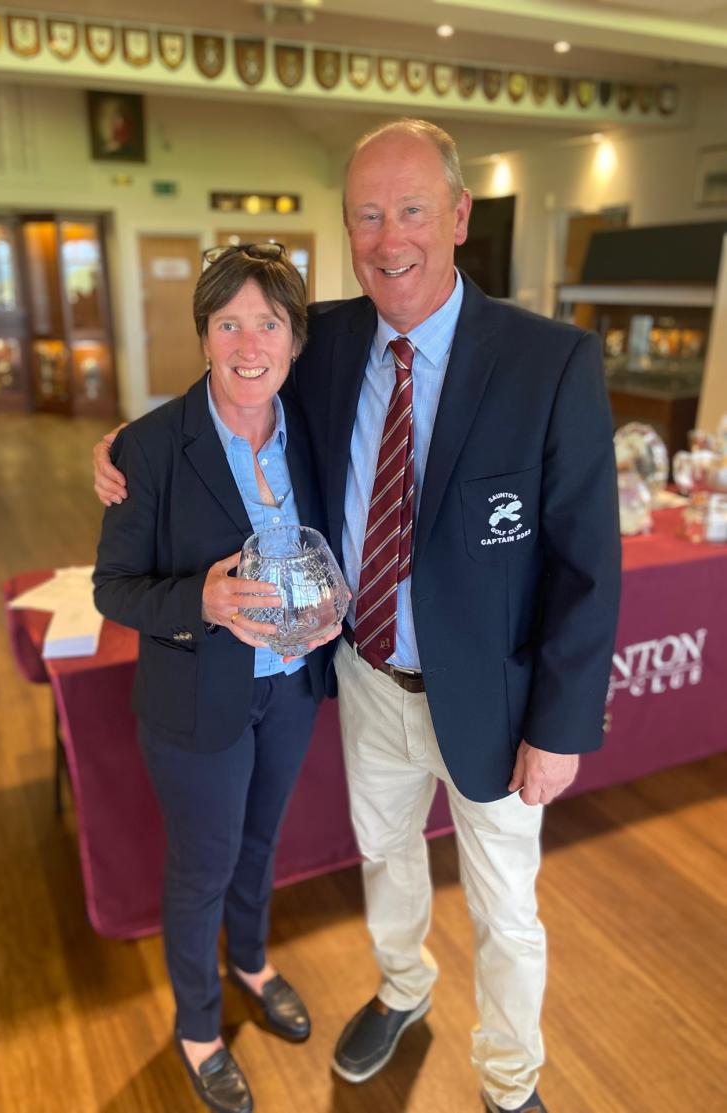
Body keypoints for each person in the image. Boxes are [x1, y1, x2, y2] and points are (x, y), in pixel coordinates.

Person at [93, 119, 621, 1113]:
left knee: (506, 909)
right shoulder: (330, 339)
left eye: (411, 210)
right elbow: (234, 366)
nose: (389, 238)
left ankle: (510, 1083)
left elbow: (589, 562)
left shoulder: (549, 361)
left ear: (458, 215)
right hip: (367, 679)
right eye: (366, 217)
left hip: (497, 700)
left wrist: (560, 727)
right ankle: (402, 988)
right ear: (346, 233)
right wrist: (129, 440)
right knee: (385, 859)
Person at [93, 243, 341, 1113]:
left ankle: (252, 962)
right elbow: (112, 588)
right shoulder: (150, 445)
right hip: (197, 697)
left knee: (260, 844)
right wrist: (197, 598)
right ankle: (199, 1028)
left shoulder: (311, 429)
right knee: (203, 865)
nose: (248, 343)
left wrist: (332, 601)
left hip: (292, 683)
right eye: (228, 323)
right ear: (202, 336)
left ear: (294, 339)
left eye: (267, 323)